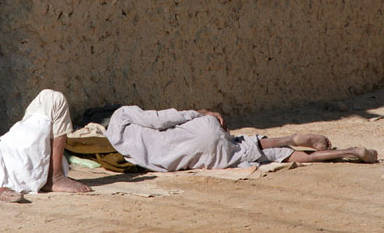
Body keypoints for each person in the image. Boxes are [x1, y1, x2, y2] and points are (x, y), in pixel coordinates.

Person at [105, 106, 379, 172]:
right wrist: (199, 112)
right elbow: (160, 119)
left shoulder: (125, 153)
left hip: (202, 155)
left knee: (257, 152)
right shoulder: (121, 115)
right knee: (244, 140)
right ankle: (291, 136)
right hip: (202, 130)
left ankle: (348, 152)